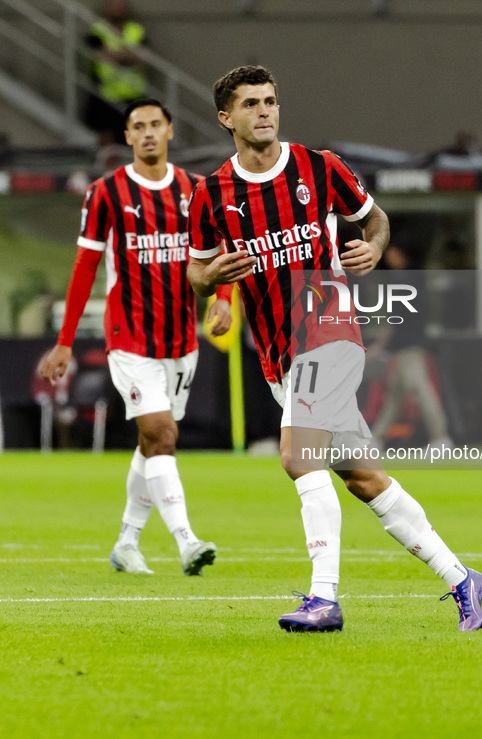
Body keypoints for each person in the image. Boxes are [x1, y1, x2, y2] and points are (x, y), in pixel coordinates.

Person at [186, 65, 482, 632]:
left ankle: (323, 598)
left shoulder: (318, 167)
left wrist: (373, 248)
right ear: (226, 117)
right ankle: (460, 578)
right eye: (251, 103)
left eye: (271, 101)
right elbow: (197, 271)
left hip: (328, 328)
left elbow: (373, 219)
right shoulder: (211, 194)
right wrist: (212, 280)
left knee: (298, 458)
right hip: (278, 352)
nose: (265, 111)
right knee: (363, 478)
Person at [41, 98, 233, 576]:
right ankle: (187, 542)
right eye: (137, 126)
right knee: (162, 434)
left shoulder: (195, 189)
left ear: (170, 131)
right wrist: (66, 340)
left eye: (155, 124)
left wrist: (223, 298)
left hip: (181, 340)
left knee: (153, 443)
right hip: (129, 339)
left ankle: (127, 542)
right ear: (127, 137)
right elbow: (86, 265)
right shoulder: (105, 193)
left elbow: (221, 251)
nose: (147, 133)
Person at [368, 243, 453, 451]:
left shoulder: (401, 280)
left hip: (408, 347)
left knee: (421, 390)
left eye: (391, 254)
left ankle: (441, 438)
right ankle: (376, 438)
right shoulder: (417, 279)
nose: (388, 259)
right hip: (410, 344)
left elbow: (394, 320)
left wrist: (379, 345)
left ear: (401, 254)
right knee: (395, 396)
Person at [83, 0, 148, 147]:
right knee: (106, 137)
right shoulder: (98, 29)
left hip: (132, 93)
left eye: (121, 3)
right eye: (113, 3)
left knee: (131, 136)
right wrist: (128, 54)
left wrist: (115, 55)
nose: (117, 7)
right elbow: (99, 53)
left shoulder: (135, 29)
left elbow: (142, 58)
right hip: (105, 92)